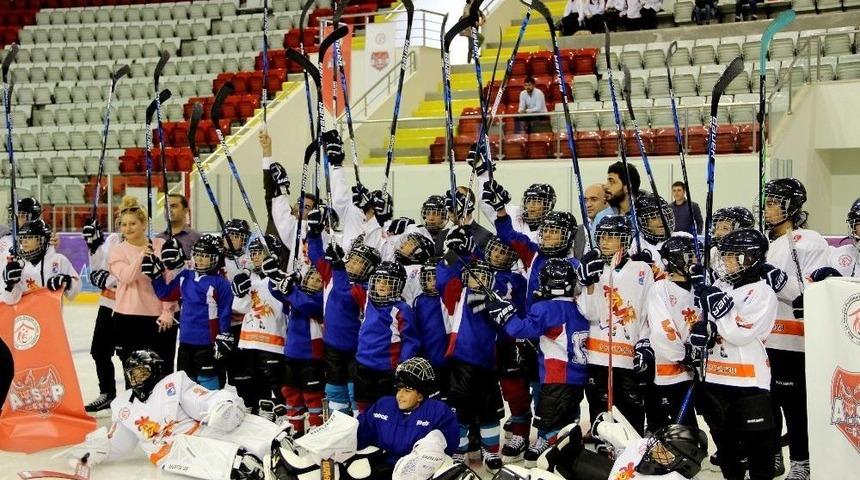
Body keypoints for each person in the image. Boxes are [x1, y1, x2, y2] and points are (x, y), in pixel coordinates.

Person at [66, 349, 278, 480]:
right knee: (232, 459)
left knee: (244, 426)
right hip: (171, 454)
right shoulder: (123, 405)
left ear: (156, 370)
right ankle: (239, 464)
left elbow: (203, 399)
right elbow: (117, 442)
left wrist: (221, 403)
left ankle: (275, 442)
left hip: (199, 433)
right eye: (133, 374)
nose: (137, 379)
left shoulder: (173, 383)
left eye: (142, 372)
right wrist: (87, 454)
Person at [484, 259, 589, 468]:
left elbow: (520, 330)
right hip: (578, 378)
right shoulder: (580, 306)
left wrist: (504, 314)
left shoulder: (547, 308)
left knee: (552, 428)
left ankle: (565, 464)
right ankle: (569, 461)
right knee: (566, 423)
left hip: (558, 377)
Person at [693, 228, 777, 480]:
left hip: (749, 384)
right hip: (716, 381)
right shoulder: (720, 285)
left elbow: (740, 333)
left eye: (733, 256)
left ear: (751, 258)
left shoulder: (763, 294)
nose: (726, 261)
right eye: (725, 255)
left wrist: (719, 309)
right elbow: (706, 323)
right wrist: (700, 333)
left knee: (758, 453)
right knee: (727, 452)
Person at [762, 178, 828, 480]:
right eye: (768, 201)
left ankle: (802, 460)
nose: (768, 207)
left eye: (775, 202)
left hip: (794, 340)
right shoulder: (768, 243)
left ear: (792, 205)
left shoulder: (810, 240)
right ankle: (773, 453)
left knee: (794, 403)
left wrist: (777, 281)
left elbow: (808, 291)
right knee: (767, 401)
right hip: (764, 339)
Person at [577, 215, 654, 435]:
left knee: (630, 413)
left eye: (612, 236)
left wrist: (644, 344)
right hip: (597, 356)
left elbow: (647, 312)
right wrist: (588, 284)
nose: (605, 241)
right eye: (602, 236)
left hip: (628, 357)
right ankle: (603, 451)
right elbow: (589, 312)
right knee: (599, 412)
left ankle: (631, 455)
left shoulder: (641, 269)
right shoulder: (594, 268)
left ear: (625, 239)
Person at [307, 228, 381, 415]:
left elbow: (345, 296)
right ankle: (336, 422)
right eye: (352, 259)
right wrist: (313, 233)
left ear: (369, 270)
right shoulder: (333, 275)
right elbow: (316, 256)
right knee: (334, 387)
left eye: (359, 263)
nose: (353, 264)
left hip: (355, 348)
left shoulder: (365, 289)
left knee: (354, 389)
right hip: (332, 346)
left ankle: (358, 424)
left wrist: (339, 267)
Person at [152, 234, 234, 391]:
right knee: (186, 385)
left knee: (209, 386)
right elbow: (166, 294)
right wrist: (156, 277)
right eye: (198, 255)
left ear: (216, 258)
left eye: (206, 256)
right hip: (185, 343)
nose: (200, 260)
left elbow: (225, 312)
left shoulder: (220, 284)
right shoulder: (185, 276)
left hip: (208, 344)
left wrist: (223, 336)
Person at [356, 357, 460, 478]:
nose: (400, 395)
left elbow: (444, 451)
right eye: (399, 389)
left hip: (418, 473)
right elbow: (359, 431)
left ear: (420, 395)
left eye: (407, 390)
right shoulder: (384, 405)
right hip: (383, 466)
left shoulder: (438, 412)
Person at [107, 196, 176, 370]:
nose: (127, 228)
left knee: (163, 369)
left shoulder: (160, 245)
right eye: (124, 224)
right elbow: (126, 277)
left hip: (159, 318)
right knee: (134, 372)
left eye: (133, 224)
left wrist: (168, 311)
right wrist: (142, 256)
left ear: (144, 225)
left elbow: (170, 280)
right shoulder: (117, 251)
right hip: (127, 318)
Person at [645, 233, 702, 431]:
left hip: (701, 370)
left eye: (695, 255)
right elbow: (662, 330)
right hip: (671, 371)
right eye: (688, 256)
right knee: (677, 429)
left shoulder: (701, 286)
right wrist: (684, 354)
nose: (694, 260)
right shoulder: (660, 289)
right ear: (672, 260)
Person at [230, 234, 289, 418]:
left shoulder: (281, 278)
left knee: (274, 381)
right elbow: (240, 308)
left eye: (260, 252)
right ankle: (259, 412)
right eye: (253, 253)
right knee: (253, 381)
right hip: (249, 340)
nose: (255, 257)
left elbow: (288, 308)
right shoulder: (250, 280)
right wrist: (240, 292)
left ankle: (281, 413)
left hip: (273, 342)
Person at [354, 261, 421, 412]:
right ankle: (364, 432)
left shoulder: (402, 309)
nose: (381, 285)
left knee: (386, 408)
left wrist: (403, 366)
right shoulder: (367, 300)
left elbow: (410, 341)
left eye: (387, 282)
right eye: (378, 281)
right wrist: (338, 265)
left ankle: (385, 433)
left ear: (398, 285)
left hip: (387, 369)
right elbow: (344, 286)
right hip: (363, 365)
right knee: (363, 406)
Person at [272, 264, 326, 435]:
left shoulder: (322, 300)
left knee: (313, 396)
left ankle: (317, 431)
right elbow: (275, 290)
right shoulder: (296, 294)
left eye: (318, 280)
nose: (313, 282)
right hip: (291, 354)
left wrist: (290, 289)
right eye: (311, 277)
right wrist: (275, 274)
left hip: (312, 356)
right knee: (291, 394)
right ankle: (295, 430)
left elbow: (307, 305)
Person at [81, 216, 123, 412]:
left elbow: (130, 273)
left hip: (129, 307)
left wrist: (108, 279)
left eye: (130, 221)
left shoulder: (142, 243)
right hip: (107, 304)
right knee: (99, 351)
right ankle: (107, 392)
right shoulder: (113, 239)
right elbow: (99, 267)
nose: (124, 224)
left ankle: (135, 393)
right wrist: (94, 247)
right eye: (121, 220)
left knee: (127, 354)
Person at [1, 218, 81, 305]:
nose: (24, 241)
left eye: (30, 237)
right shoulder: (18, 265)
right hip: (26, 317)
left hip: (51, 316)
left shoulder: (59, 260)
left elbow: (73, 294)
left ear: (42, 240)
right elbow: (10, 300)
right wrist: (9, 285)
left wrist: (67, 281)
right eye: (22, 238)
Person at [592, 161, 642, 243]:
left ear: (627, 188)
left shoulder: (644, 217)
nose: (605, 186)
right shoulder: (601, 217)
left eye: (612, 181)